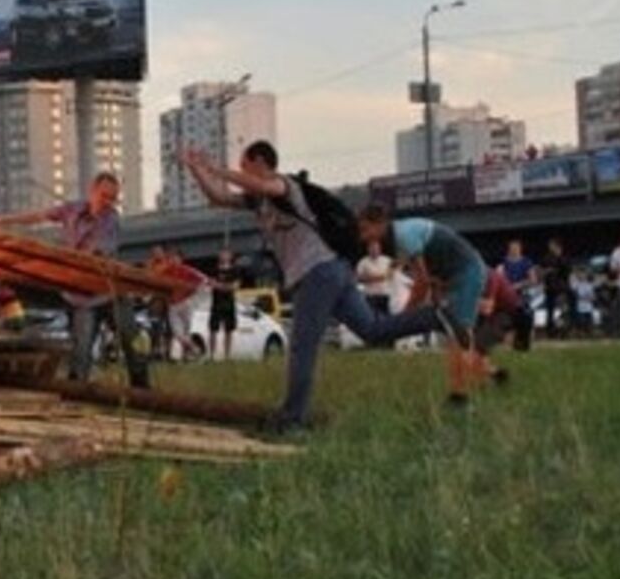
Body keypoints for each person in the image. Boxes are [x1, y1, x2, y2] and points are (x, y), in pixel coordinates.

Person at [181, 142, 437, 429]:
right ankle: (436, 317)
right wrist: (196, 170)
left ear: (261, 163)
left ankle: (292, 418)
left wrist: (214, 168)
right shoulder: (259, 203)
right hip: (333, 270)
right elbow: (219, 198)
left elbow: (265, 186)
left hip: (317, 272)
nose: (242, 173)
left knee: (303, 346)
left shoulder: (285, 186)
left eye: (245, 165)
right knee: (373, 330)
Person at [0, 172, 149, 388]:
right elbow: (36, 216)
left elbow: (98, 252)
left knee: (131, 340)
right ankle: (77, 391)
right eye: (104, 196)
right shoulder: (71, 210)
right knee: (81, 350)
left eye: (112, 198)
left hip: (109, 291)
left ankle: (142, 387)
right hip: (80, 296)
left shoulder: (111, 219)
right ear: (93, 190)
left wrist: (65, 260)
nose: (107, 202)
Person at [357, 205, 492, 405]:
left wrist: (401, 318)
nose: (363, 236)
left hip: (466, 272)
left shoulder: (403, 236)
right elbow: (430, 273)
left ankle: (460, 396)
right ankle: (491, 376)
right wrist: (435, 294)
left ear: (380, 224)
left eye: (366, 229)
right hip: (451, 275)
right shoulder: (395, 240)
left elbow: (421, 283)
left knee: (460, 334)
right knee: (457, 334)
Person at [148, 247, 211, 361]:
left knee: (186, 331)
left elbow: (204, 281)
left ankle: (186, 356)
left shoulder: (188, 270)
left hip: (186, 304)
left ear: (181, 259)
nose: (174, 260)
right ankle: (195, 349)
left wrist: (193, 297)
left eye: (176, 258)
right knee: (178, 334)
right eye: (172, 258)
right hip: (173, 306)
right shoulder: (165, 272)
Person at [499, 239, 537, 351]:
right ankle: (509, 344)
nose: (514, 250)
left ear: (520, 249)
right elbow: (499, 277)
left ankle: (527, 343)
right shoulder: (504, 262)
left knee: (526, 318)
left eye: (516, 248)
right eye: (511, 248)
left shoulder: (527, 262)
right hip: (507, 295)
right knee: (507, 319)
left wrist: (518, 285)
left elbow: (533, 280)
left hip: (522, 295)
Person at [209, 250, 239, 360]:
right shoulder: (214, 270)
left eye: (227, 254)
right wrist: (224, 286)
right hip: (216, 303)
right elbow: (211, 284)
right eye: (222, 254)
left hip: (229, 304)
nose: (224, 256)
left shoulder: (235, 270)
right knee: (213, 329)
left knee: (229, 330)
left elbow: (235, 286)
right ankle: (212, 355)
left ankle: (227, 355)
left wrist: (220, 286)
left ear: (231, 256)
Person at [542, 238, 574, 338]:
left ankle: (564, 332)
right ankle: (551, 332)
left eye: (552, 245)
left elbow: (567, 270)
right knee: (550, 312)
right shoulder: (547, 258)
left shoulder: (565, 257)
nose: (551, 248)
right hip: (550, 289)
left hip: (561, 289)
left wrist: (557, 266)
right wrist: (547, 272)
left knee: (563, 311)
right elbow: (543, 271)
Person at [357, 239, 395, 318]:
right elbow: (359, 279)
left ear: (380, 249)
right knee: (372, 319)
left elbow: (392, 275)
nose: (374, 250)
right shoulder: (363, 262)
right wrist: (377, 278)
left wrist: (372, 277)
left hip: (385, 295)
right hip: (371, 296)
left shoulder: (387, 260)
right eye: (372, 248)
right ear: (368, 249)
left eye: (376, 248)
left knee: (387, 319)